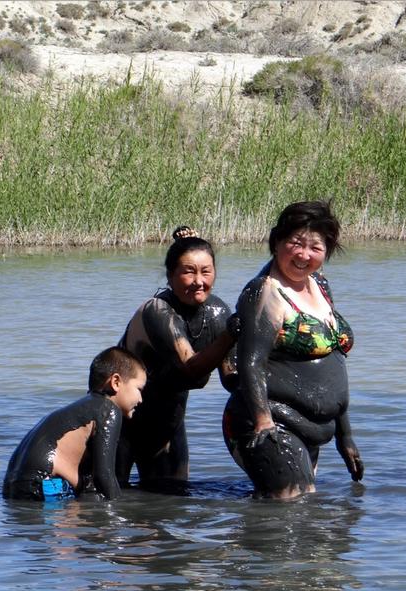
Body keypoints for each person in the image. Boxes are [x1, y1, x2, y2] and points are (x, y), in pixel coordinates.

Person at [222, 200, 364, 499]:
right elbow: (251, 363)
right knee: (291, 510)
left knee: (300, 521)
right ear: (276, 243)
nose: (303, 255)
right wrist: (264, 423)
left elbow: (335, 359)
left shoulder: (320, 285)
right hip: (269, 421)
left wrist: (345, 435)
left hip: (312, 426)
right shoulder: (265, 292)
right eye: (295, 243)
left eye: (315, 247)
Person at [116, 226, 237, 490]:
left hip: (167, 422)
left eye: (206, 271)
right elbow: (192, 371)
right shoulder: (158, 311)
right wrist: (230, 336)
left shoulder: (218, 312)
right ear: (170, 277)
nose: (198, 281)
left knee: (170, 504)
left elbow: (231, 379)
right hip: (121, 421)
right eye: (188, 272)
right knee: (109, 504)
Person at [2, 346, 147, 501]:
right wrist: (122, 509)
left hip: (13, 486)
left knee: (91, 491)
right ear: (116, 382)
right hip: (41, 486)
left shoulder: (84, 408)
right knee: (104, 503)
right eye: (139, 389)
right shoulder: (108, 409)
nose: (141, 399)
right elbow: (104, 475)